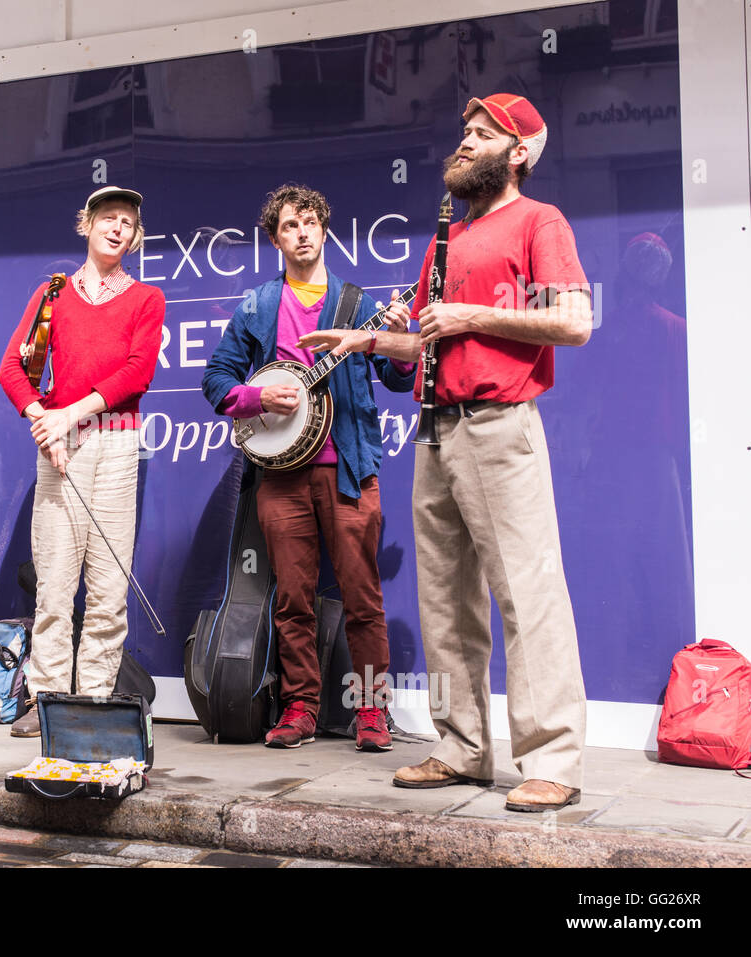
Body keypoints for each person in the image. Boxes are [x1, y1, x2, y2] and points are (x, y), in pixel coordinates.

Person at [305, 94, 593, 811]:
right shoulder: (444, 240)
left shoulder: (539, 221)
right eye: (463, 132)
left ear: (518, 151)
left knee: (528, 594)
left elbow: (574, 320)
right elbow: (427, 342)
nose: (464, 143)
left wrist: (472, 313)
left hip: (501, 424)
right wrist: (366, 341)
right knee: (445, 602)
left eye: (482, 135)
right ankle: (463, 748)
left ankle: (552, 757)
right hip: (434, 428)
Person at [201, 184, 416, 751]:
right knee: (291, 599)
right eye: (288, 226)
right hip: (281, 474)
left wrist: (391, 337)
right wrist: (259, 400)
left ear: (324, 229)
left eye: (309, 222)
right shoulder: (257, 305)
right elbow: (216, 381)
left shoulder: (360, 303)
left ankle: (371, 712)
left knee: (362, 598)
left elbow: (400, 380)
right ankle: (300, 708)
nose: (300, 232)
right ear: (275, 239)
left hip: (347, 470)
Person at [0, 186, 165, 737]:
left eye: (128, 222)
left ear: (135, 236)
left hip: (115, 445)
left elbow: (138, 373)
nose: (118, 228)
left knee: (109, 590)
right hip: (59, 449)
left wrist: (68, 413)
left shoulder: (146, 298)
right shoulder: (53, 294)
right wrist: (40, 419)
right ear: (86, 225)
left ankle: (91, 700)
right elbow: (12, 371)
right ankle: (44, 699)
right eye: (108, 218)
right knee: (54, 586)